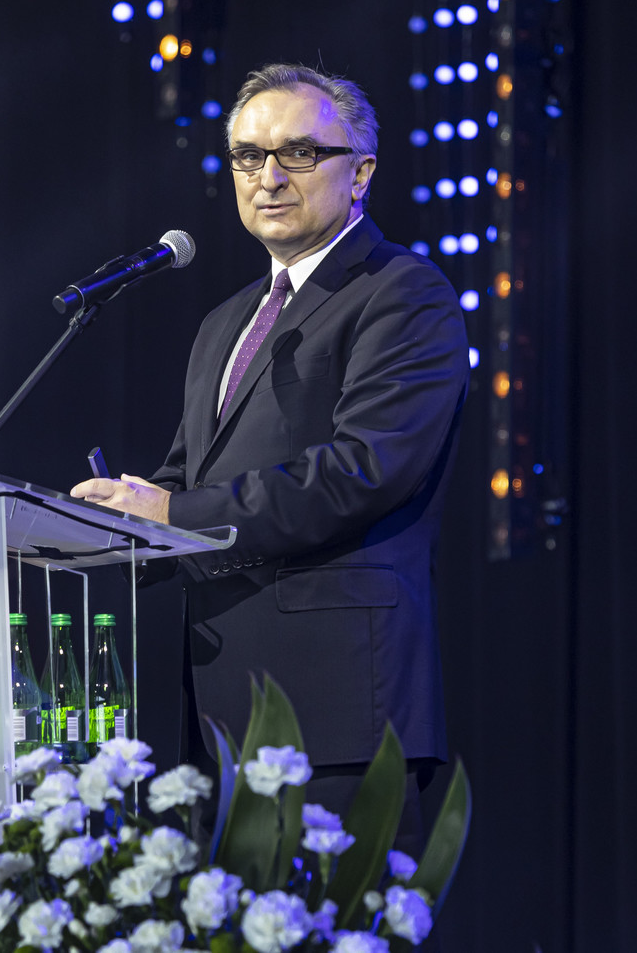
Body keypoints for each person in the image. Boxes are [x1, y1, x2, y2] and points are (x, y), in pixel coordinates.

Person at [71, 63, 468, 843]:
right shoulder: (226, 322)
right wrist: (103, 527)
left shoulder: (403, 293)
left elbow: (365, 468)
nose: (270, 177)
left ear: (362, 173)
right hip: (221, 714)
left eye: (300, 153)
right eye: (249, 156)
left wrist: (176, 512)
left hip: (340, 710)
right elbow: (188, 475)